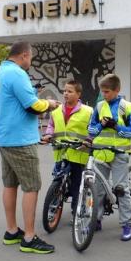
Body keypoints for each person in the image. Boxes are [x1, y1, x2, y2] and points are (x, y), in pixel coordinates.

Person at [0, 41, 59, 254]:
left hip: (4, 137)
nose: (30, 62)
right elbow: (33, 105)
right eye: (30, 58)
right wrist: (50, 103)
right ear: (24, 55)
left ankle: (12, 231)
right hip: (20, 139)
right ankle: (29, 237)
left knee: (10, 184)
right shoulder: (17, 74)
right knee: (31, 186)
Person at [88, 73, 131, 241]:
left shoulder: (128, 107)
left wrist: (117, 127)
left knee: (120, 189)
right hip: (101, 152)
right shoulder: (100, 106)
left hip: (118, 154)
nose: (104, 94)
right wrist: (101, 125)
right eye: (102, 91)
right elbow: (91, 130)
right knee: (98, 190)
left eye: (107, 91)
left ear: (117, 90)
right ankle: (97, 219)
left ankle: (126, 224)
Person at [41, 80, 93, 215]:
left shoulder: (88, 111)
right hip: (61, 151)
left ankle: (76, 212)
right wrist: (48, 135)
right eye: (65, 91)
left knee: (77, 185)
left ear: (78, 94)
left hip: (78, 154)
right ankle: (54, 205)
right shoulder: (57, 110)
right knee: (57, 181)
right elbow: (51, 125)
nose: (65, 93)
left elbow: (93, 130)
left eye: (70, 91)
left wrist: (89, 140)